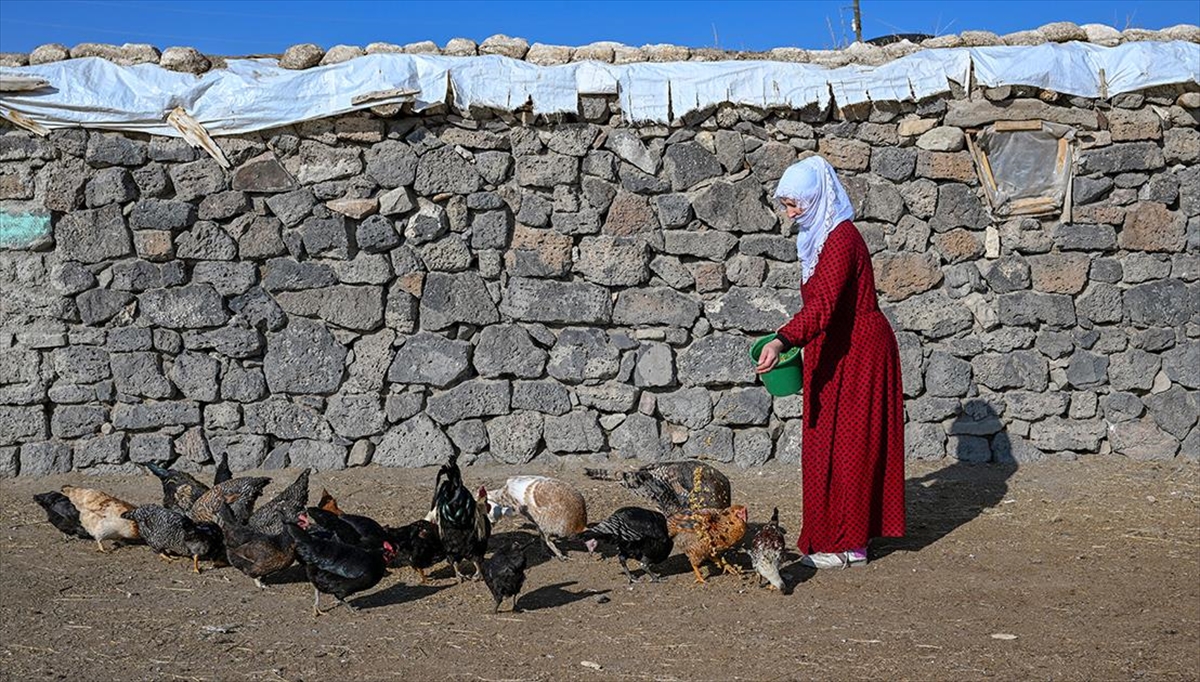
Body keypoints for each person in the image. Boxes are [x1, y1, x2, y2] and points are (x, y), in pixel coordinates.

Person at [755, 155, 906, 569]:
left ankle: (851, 544)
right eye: (785, 204)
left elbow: (823, 306)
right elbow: (821, 309)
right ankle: (830, 534)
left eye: (795, 204)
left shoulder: (841, 239)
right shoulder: (818, 240)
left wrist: (782, 339)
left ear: (818, 197)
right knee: (827, 443)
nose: (789, 214)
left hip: (859, 351)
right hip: (834, 349)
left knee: (851, 447)